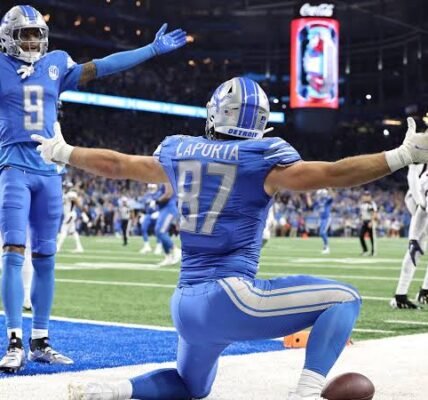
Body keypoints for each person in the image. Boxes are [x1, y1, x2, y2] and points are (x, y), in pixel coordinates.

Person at [32, 78, 427, 400]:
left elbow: (118, 165)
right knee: (345, 298)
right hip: (230, 297)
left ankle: (109, 391)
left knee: (192, 387)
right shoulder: (262, 157)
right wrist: (402, 156)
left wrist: (64, 151)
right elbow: (335, 174)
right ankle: (306, 394)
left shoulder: (180, 151)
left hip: (185, 304)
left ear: (214, 113)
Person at [0, 4, 187, 372]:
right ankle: (14, 340)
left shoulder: (55, 64)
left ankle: (41, 340)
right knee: (13, 253)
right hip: (13, 169)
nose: (33, 41)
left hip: (49, 171)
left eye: (37, 34)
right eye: (25, 34)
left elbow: (103, 65)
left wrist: (150, 50)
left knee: (46, 257)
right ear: (8, 37)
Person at [391, 164, 428, 309]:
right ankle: (400, 296)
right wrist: (413, 238)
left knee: (418, 245)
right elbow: (412, 175)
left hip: (421, 198)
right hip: (417, 197)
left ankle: (424, 292)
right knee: (416, 248)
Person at [155, 183, 181, 266]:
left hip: (169, 209)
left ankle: (176, 249)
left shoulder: (167, 177)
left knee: (161, 231)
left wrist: (157, 201)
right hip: (164, 209)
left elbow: (168, 194)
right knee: (160, 232)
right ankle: (168, 257)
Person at [57, 184, 84, 253]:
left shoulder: (71, 194)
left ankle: (58, 247)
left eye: (65, 187)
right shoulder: (65, 194)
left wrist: (81, 208)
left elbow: (76, 201)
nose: (64, 188)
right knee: (73, 232)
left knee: (63, 230)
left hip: (70, 214)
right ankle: (79, 247)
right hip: (68, 214)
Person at [308, 189, 333, 254]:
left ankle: (327, 247)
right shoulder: (318, 201)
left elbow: (332, 197)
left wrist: (330, 189)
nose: (318, 196)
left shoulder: (327, 199)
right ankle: (325, 247)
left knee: (323, 232)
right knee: (321, 233)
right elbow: (310, 206)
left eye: (319, 194)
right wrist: (308, 196)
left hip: (327, 218)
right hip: (321, 219)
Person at [139, 184, 162, 255]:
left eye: (152, 187)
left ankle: (159, 246)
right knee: (143, 228)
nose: (151, 189)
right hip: (148, 214)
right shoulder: (146, 195)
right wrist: (143, 214)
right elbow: (144, 206)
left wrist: (159, 212)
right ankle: (147, 246)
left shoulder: (159, 194)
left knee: (158, 230)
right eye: (150, 187)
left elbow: (162, 203)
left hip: (157, 214)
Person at [358, 190, 378, 256]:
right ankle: (365, 250)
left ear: (370, 197)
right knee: (361, 235)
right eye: (365, 196)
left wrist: (372, 222)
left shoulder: (371, 204)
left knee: (372, 237)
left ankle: (373, 251)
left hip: (370, 221)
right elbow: (362, 213)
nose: (366, 197)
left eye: (367, 196)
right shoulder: (362, 204)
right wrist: (361, 219)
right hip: (364, 221)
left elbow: (374, 213)